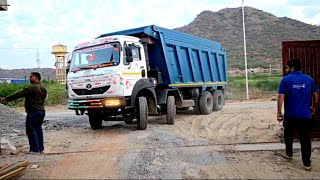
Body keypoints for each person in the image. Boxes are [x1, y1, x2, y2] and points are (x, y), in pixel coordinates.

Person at [277, 58, 318, 170]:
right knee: (305, 139)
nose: (286, 69)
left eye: (286, 67)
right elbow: (315, 95)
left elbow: (281, 97)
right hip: (305, 116)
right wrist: (313, 107)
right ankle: (307, 163)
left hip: (290, 116)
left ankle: (289, 154)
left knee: (288, 136)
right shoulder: (309, 79)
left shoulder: (285, 80)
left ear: (292, 68)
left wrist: (279, 112)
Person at [0, 72, 47, 154]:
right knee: (38, 129)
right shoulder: (43, 88)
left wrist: (6, 99)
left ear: (36, 78)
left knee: (31, 130)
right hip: (41, 111)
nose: (29, 78)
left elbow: (19, 94)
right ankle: (40, 149)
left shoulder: (31, 88)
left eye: (31, 77)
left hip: (33, 112)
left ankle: (35, 150)